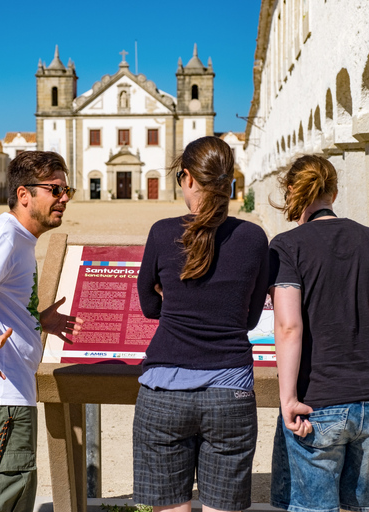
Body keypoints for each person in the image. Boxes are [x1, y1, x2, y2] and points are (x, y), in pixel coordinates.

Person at [268, 155, 369, 512]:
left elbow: (289, 326)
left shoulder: (287, 246)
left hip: (318, 399)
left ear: (292, 191)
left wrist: (288, 398)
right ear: (334, 192)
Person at [133, 136, 269, 512]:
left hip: (165, 390)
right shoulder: (254, 237)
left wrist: (175, 303)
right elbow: (252, 316)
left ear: (189, 178)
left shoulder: (162, 232)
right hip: (231, 390)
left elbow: (147, 305)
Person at [0, 151, 83, 512]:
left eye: (66, 189)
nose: (64, 198)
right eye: (55, 189)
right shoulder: (3, 236)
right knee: (2, 501)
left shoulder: (18, 238)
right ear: (24, 195)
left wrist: (39, 319)